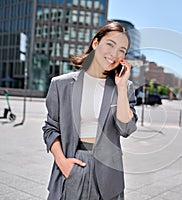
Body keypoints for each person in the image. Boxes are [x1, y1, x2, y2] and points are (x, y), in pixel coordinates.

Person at [42, 21, 138, 200]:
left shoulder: (125, 87)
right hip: (72, 163)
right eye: (110, 44)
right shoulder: (61, 84)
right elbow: (50, 128)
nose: (114, 54)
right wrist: (62, 162)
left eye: (122, 50)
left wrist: (122, 87)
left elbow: (126, 129)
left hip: (109, 173)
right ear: (95, 43)